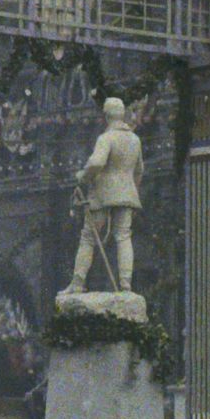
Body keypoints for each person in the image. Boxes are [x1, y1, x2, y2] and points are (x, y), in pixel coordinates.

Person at [66, 96, 143, 295]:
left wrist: (84, 176)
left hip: (102, 194)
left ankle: (77, 283)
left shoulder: (106, 138)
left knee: (88, 237)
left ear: (106, 116)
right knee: (123, 236)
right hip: (127, 194)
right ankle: (126, 285)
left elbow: (97, 162)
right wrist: (133, 191)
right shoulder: (135, 140)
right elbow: (139, 170)